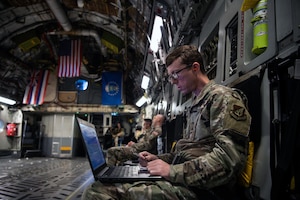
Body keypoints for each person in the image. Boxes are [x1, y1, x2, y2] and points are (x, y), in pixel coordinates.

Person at [81, 45, 251, 200]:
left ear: (195, 68)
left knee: (97, 192)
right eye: (170, 77)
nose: (173, 82)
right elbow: (187, 153)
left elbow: (229, 161)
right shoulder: (195, 105)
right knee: (102, 184)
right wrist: (158, 159)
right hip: (187, 179)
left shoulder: (223, 98)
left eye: (175, 74)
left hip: (205, 189)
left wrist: (171, 171)